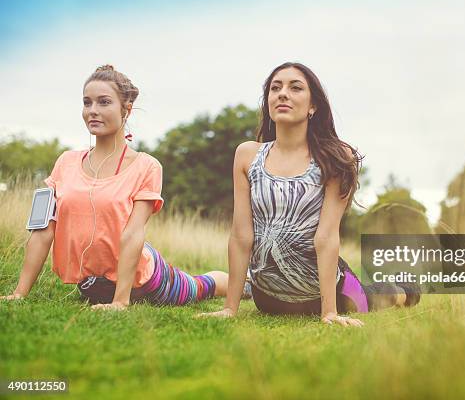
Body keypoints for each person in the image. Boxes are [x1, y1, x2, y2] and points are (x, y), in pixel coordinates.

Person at [199, 62, 420, 326]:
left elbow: (326, 237)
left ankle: (403, 289)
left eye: (295, 88)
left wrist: (329, 312)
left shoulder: (334, 158)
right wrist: (229, 309)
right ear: (268, 101)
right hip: (267, 297)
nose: (283, 94)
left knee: (366, 300)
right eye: (275, 88)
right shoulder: (247, 155)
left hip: (330, 292)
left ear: (313, 106)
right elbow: (241, 235)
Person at [0, 65, 229, 310]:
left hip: (147, 279)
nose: (93, 111)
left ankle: (244, 283)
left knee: (202, 285)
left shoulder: (147, 166)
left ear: (126, 110)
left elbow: (133, 234)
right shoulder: (65, 162)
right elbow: (42, 230)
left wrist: (120, 301)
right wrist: (19, 293)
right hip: (93, 283)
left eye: (104, 102)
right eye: (87, 103)